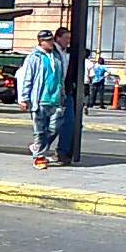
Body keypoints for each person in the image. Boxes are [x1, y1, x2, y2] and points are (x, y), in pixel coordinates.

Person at [17, 30, 64, 170]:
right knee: (40, 131)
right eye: (48, 40)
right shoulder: (34, 57)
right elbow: (28, 78)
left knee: (55, 128)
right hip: (40, 100)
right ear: (41, 42)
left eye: (52, 40)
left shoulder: (56, 56)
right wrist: (24, 98)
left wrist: (62, 94)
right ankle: (39, 157)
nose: (51, 42)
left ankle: (37, 147)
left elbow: (60, 77)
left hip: (55, 99)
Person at [53, 26, 77, 165]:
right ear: (57, 38)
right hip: (53, 93)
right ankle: (40, 149)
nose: (68, 41)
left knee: (69, 122)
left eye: (69, 38)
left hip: (66, 92)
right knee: (52, 125)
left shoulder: (67, 53)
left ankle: (62, 152)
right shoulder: (51, 52)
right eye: (65, 38)